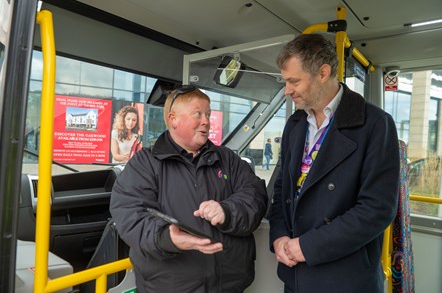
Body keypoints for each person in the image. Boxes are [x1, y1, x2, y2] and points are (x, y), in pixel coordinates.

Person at [268, 34, 400, 293]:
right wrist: (279, 237)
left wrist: (307, 247)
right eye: (285, 82)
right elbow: (282, 191)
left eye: (294, 81)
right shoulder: (294, 125)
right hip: (295, 277)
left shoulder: (375, 124)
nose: (287, 90)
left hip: (344, 279)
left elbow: (377, 209)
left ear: (323, 73)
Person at [110, 84, 268, 292]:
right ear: (173, 119)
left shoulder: (227, 158)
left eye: (208, 115)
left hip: (229, 285)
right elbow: (130, 214)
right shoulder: (145, 164)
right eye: (198, 114)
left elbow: (255, 195)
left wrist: (227, 211)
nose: (206, 121)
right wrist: (166, 238)